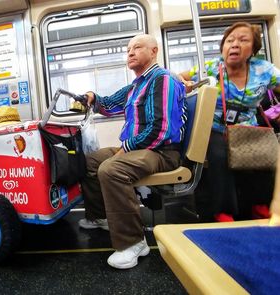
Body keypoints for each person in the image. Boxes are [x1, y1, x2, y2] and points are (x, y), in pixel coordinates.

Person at [78, 34, 187, 269]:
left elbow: (161, 129)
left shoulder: (163, 79)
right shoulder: (137, 85)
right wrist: (93, 98)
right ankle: (102, 217)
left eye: (137, 47)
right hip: (140, 147)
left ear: (154, 51)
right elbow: (108, 105)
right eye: (128, 49)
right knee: (90, 162)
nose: (130, 52)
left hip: (162, 151)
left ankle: (134, 242)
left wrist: (124, 150)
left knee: (111, 169)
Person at [179, 22, 280, 222]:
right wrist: (185, 83)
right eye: (230, 40)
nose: (234, 45)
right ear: (223, 46)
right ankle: (223, 211)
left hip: (246, 127)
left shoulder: (264, 70)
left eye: (243, 40)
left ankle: (260, 205)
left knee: (264, 154)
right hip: (213, 126)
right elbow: (180, 78)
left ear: (253, 49)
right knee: (218, 154)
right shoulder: (211, 67)